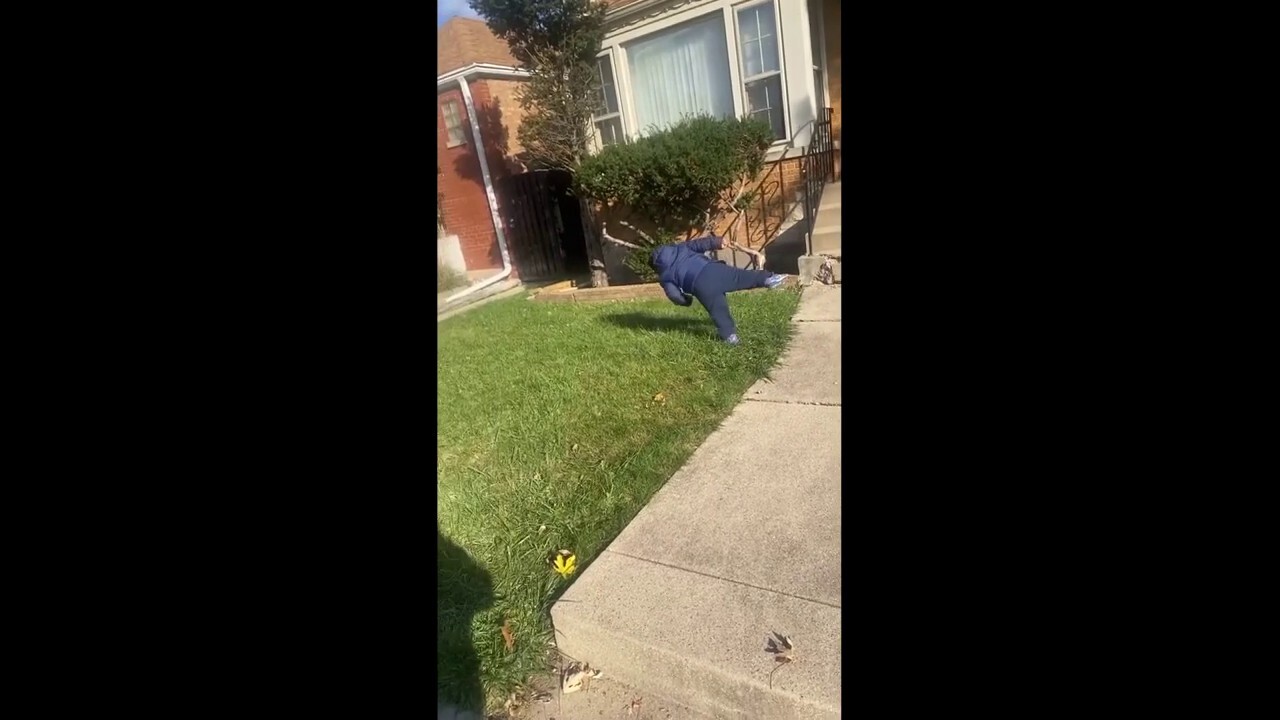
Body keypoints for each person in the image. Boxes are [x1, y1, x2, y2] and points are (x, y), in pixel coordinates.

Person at [650, 235, 786, 345]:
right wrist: (718, 241)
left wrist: (686, 301)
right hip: (712, 269)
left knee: (718, 310)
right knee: (739, 277)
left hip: (701, 287)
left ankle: (730, 337)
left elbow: (674, 295)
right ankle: (767, 279)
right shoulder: (681, 248)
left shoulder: (665, 276)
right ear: (669, 248)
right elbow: (700, 244)